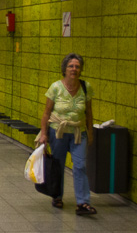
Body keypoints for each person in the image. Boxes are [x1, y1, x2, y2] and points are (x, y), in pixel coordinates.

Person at [36, 53, 96, 215]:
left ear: (81, 69)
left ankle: (83, 203)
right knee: (58, 165)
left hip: (78, 132)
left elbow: (89, 112)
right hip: (58, 132)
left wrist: (90, 133)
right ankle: (57, 196)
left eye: (77, 66)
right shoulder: (56, 87)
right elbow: (46, 113)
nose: (74, 69)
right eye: (71, 66)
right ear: (65, 69)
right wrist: (44, 134)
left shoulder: (85, 87)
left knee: (80, 165)